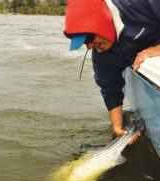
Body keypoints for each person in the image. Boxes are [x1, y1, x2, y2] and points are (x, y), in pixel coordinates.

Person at [64, 0, 160, 144]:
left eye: (89, 38)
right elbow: (109, 88)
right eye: (85, 43)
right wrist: (118, 127)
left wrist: (156, 50)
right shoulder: (101, 56)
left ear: (99, 22)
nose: (90, 46)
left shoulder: (139, 5)